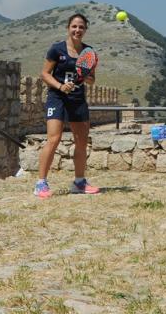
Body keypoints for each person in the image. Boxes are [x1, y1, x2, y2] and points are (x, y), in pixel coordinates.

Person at [34, 13, 100, 198]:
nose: (77, 30)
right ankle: (41, 183)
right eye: (74, 26)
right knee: (53, 139)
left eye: (81, 27)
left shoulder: (89, 52)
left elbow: (92, 80)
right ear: (68, 28)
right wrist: (60, 86)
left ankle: (79, 182)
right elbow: (45, 74)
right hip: (57, 98)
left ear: (85, 30)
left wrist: (87, 77)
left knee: (81, 142)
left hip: (77, 99)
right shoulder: (57, 50)